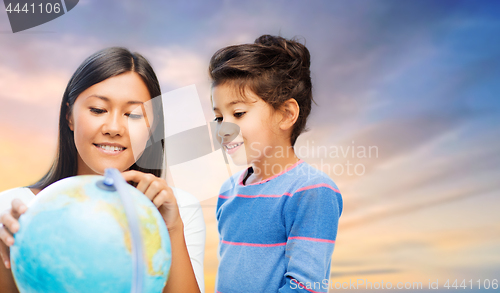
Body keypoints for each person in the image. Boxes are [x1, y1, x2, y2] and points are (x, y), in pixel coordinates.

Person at [0, 47, 205, 293]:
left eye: (134, 114)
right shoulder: (13, 210)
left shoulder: (179, 209)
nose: (114, 127)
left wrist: (172, 229)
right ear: (70, 116)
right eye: (98, 110)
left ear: (153, 128)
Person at [210, 35, 343, 292]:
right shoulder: (228, 190)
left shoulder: (311, 190)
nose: (223, 129)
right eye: (218, 117)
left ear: (286, 114)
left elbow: (305, 286)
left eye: (238, 113)